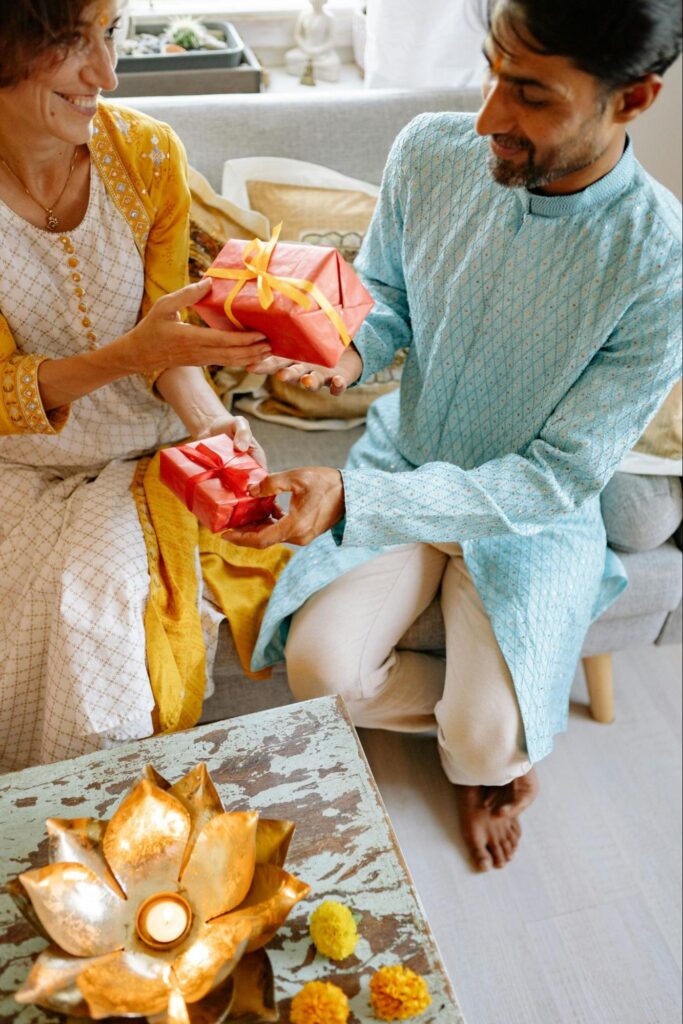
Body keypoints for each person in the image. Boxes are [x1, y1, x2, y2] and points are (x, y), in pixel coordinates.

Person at [226, 0, 682, 871]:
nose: (486, 120)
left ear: (634, 100)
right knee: (320, 675)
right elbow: (387, 294)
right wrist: (349, 356)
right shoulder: (431, 151)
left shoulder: (658, 263)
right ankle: (491, 721)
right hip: (405, 458)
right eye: (489, 69)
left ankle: (486, 750)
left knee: (479, 750)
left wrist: (357, 502)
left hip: (525, 519)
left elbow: (555, 478)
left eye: (530, 95)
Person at [0, 0, 283, 770]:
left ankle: (104, 817)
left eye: (111, 33)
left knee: (96, 602)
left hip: (140, 458)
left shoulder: (147, 156)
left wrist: (208, 421)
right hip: (15, 464)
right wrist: (131, 352)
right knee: (52, 613)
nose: (107, 72)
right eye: (70, 43)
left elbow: (168, 347)